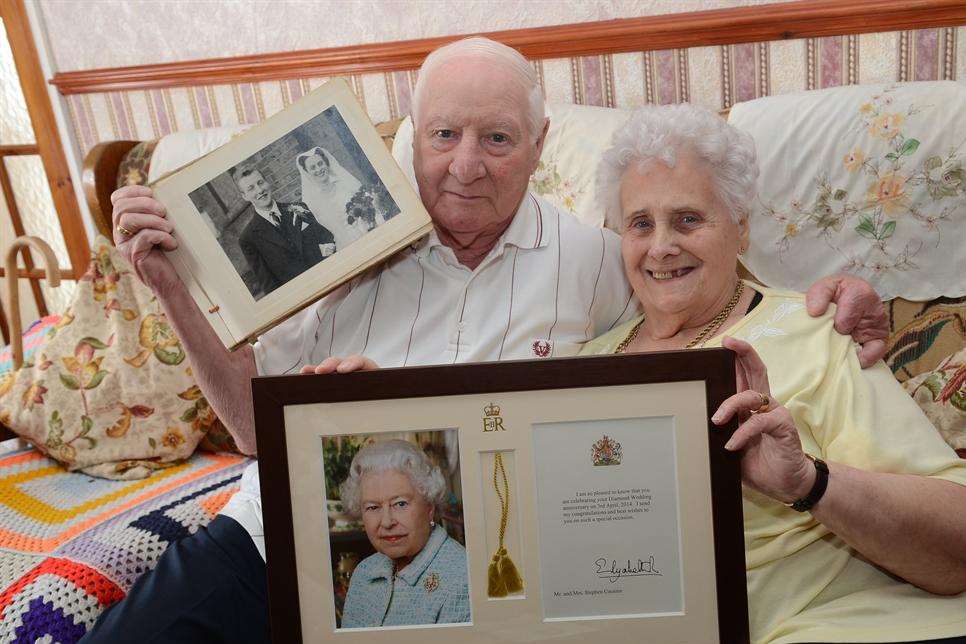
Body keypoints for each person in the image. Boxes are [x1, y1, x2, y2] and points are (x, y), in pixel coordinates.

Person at [90, 37, 888, 643]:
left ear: (538, 151)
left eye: (497, 139)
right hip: (275, 538)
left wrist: (838, 297)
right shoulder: (334, 250)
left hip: (465, 584)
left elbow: (705, 278)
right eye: (443, 136)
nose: (465, 166)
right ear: (411, 142)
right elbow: (245, 431)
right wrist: (173, 290)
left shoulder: (596, 260)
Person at [579, 103, 966, 644]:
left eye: (688, 219)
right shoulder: (578, 372)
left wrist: (810, 483)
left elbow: (958, 540)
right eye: (640, 224)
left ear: (740, 230)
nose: (662, 246)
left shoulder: (817, 334)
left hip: (814, 627)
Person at [338, 439, 469, 627]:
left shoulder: (462, 578)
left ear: (429, 506)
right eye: (373, 507)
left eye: (400, 504)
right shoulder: (364, 572)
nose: (387, 522)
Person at [234, 164, 336, 297]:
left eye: (260, 183)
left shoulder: (298, 208)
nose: (260, 190)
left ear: (267, 182)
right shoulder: (248, 238)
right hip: (302, 298)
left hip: (330, 280)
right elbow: (269, 285)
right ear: (245, 196)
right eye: (251, 188)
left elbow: (326, 237)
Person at [295, 146, 366, 249]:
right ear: (307, 172)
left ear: (326, 163)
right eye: (313, 167)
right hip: (344, 246)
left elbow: (367, 204)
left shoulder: (345, 183)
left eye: (320, 164)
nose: (318, 169)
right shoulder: (311, 202)